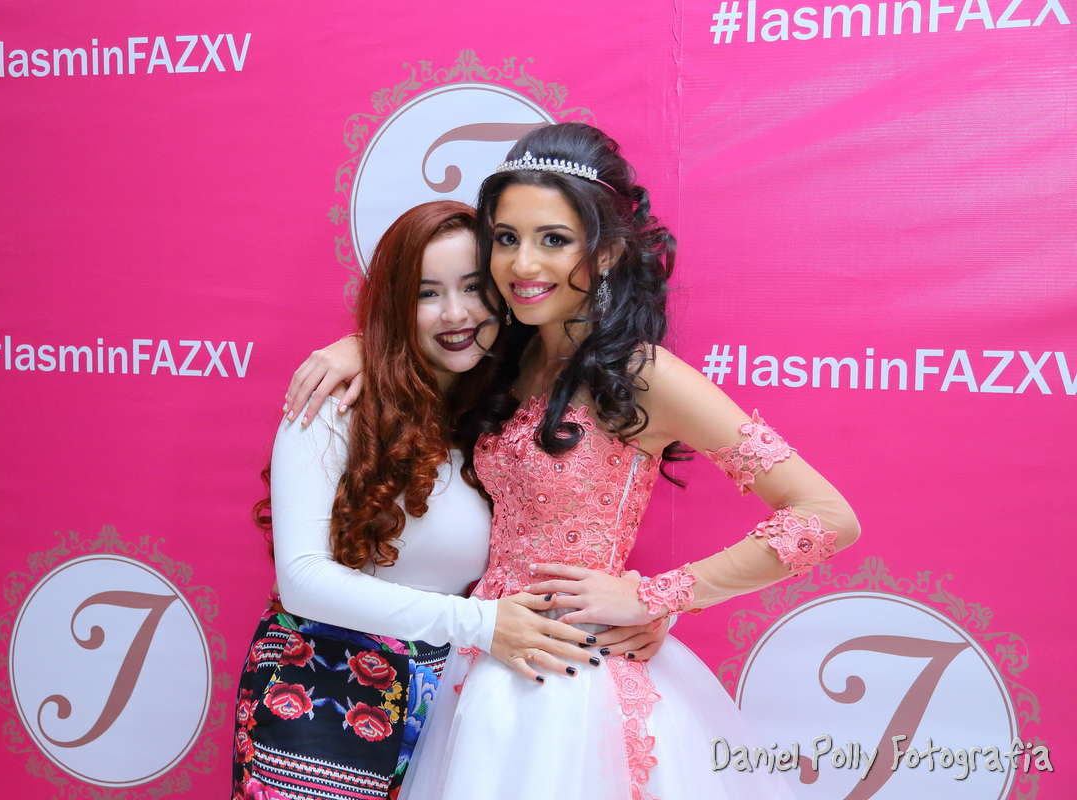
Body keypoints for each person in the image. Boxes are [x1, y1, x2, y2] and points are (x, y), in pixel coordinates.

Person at [285, 123, 861, 799]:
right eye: (506, 238)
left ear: (607, 250)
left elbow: (824, 516)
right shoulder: (506, 357)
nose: (523, 264)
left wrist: (655, 598)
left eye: (553, 239)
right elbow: (427, 331)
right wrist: (359, 345)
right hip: (481, 665)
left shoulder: (643, 373)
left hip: (575, 680)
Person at [233, 200, 669, 800]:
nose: (456, 314)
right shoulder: (337, 402)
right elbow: (304, 579)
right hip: (319, 694)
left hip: (453, 703)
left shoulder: (498, 415)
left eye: (473, 287)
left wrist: (635, 606)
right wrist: (481, 624)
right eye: (426, 293)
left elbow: (545, 536)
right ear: (395, 304)